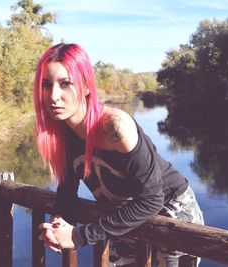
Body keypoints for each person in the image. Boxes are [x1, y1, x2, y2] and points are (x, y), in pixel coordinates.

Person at [36, 43, 204, 267]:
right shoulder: (62, 134)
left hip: (172, 212)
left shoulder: (114, 126)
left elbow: (152, 198)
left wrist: (80, 236)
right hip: (126, 216)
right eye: (47, 85)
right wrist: (59, 220)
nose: (53, 96)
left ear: (86, 87)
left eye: (65, 84)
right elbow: (67, 192)